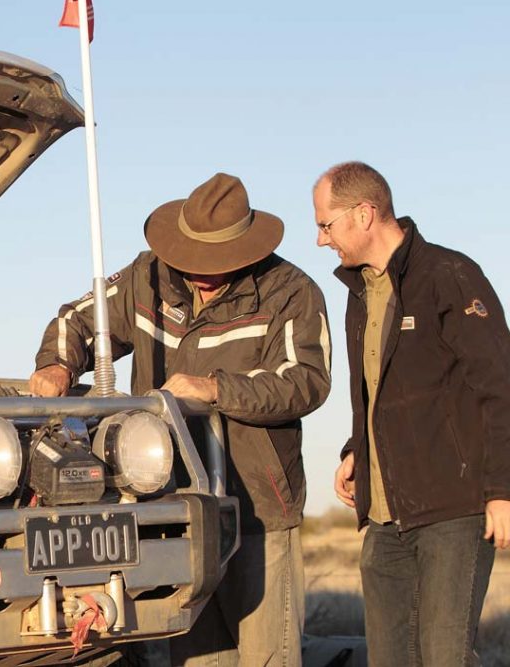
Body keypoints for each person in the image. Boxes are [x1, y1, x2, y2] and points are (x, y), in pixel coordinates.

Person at [31, 172, 331, 666]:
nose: (201, 271)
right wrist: (57, 363)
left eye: (217, 262)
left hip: (257, 507)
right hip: (171, 510)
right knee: (192, 656)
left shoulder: (292, 292)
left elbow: (307, 381)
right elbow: (76, 319)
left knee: (267, 656)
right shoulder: (145, 277)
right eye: (193, 258)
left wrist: (213, 388)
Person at [314, 161, 510, 666]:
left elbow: (500, 386)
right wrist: (355, 450)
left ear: (363, 213)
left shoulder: (449, 275)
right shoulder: (359, 295)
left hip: (452, 513)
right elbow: (381, 394)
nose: (320, 240)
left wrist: (502, 489)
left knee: (445, 658)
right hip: (383, 520)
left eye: (325, 224)